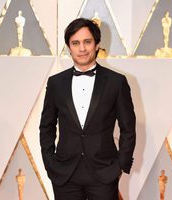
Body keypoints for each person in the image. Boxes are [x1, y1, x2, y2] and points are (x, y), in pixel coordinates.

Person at [39, 18, 136, 200]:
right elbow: (46, 126)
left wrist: (120, 164)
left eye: (87, 42)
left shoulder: (117, 82)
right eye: (75, 43)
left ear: (97, 44)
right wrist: (49, 163)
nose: (82, 48)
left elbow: (128, 128)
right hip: (65, 174)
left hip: (104, 172)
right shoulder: (55, 83)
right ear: (69, 47)